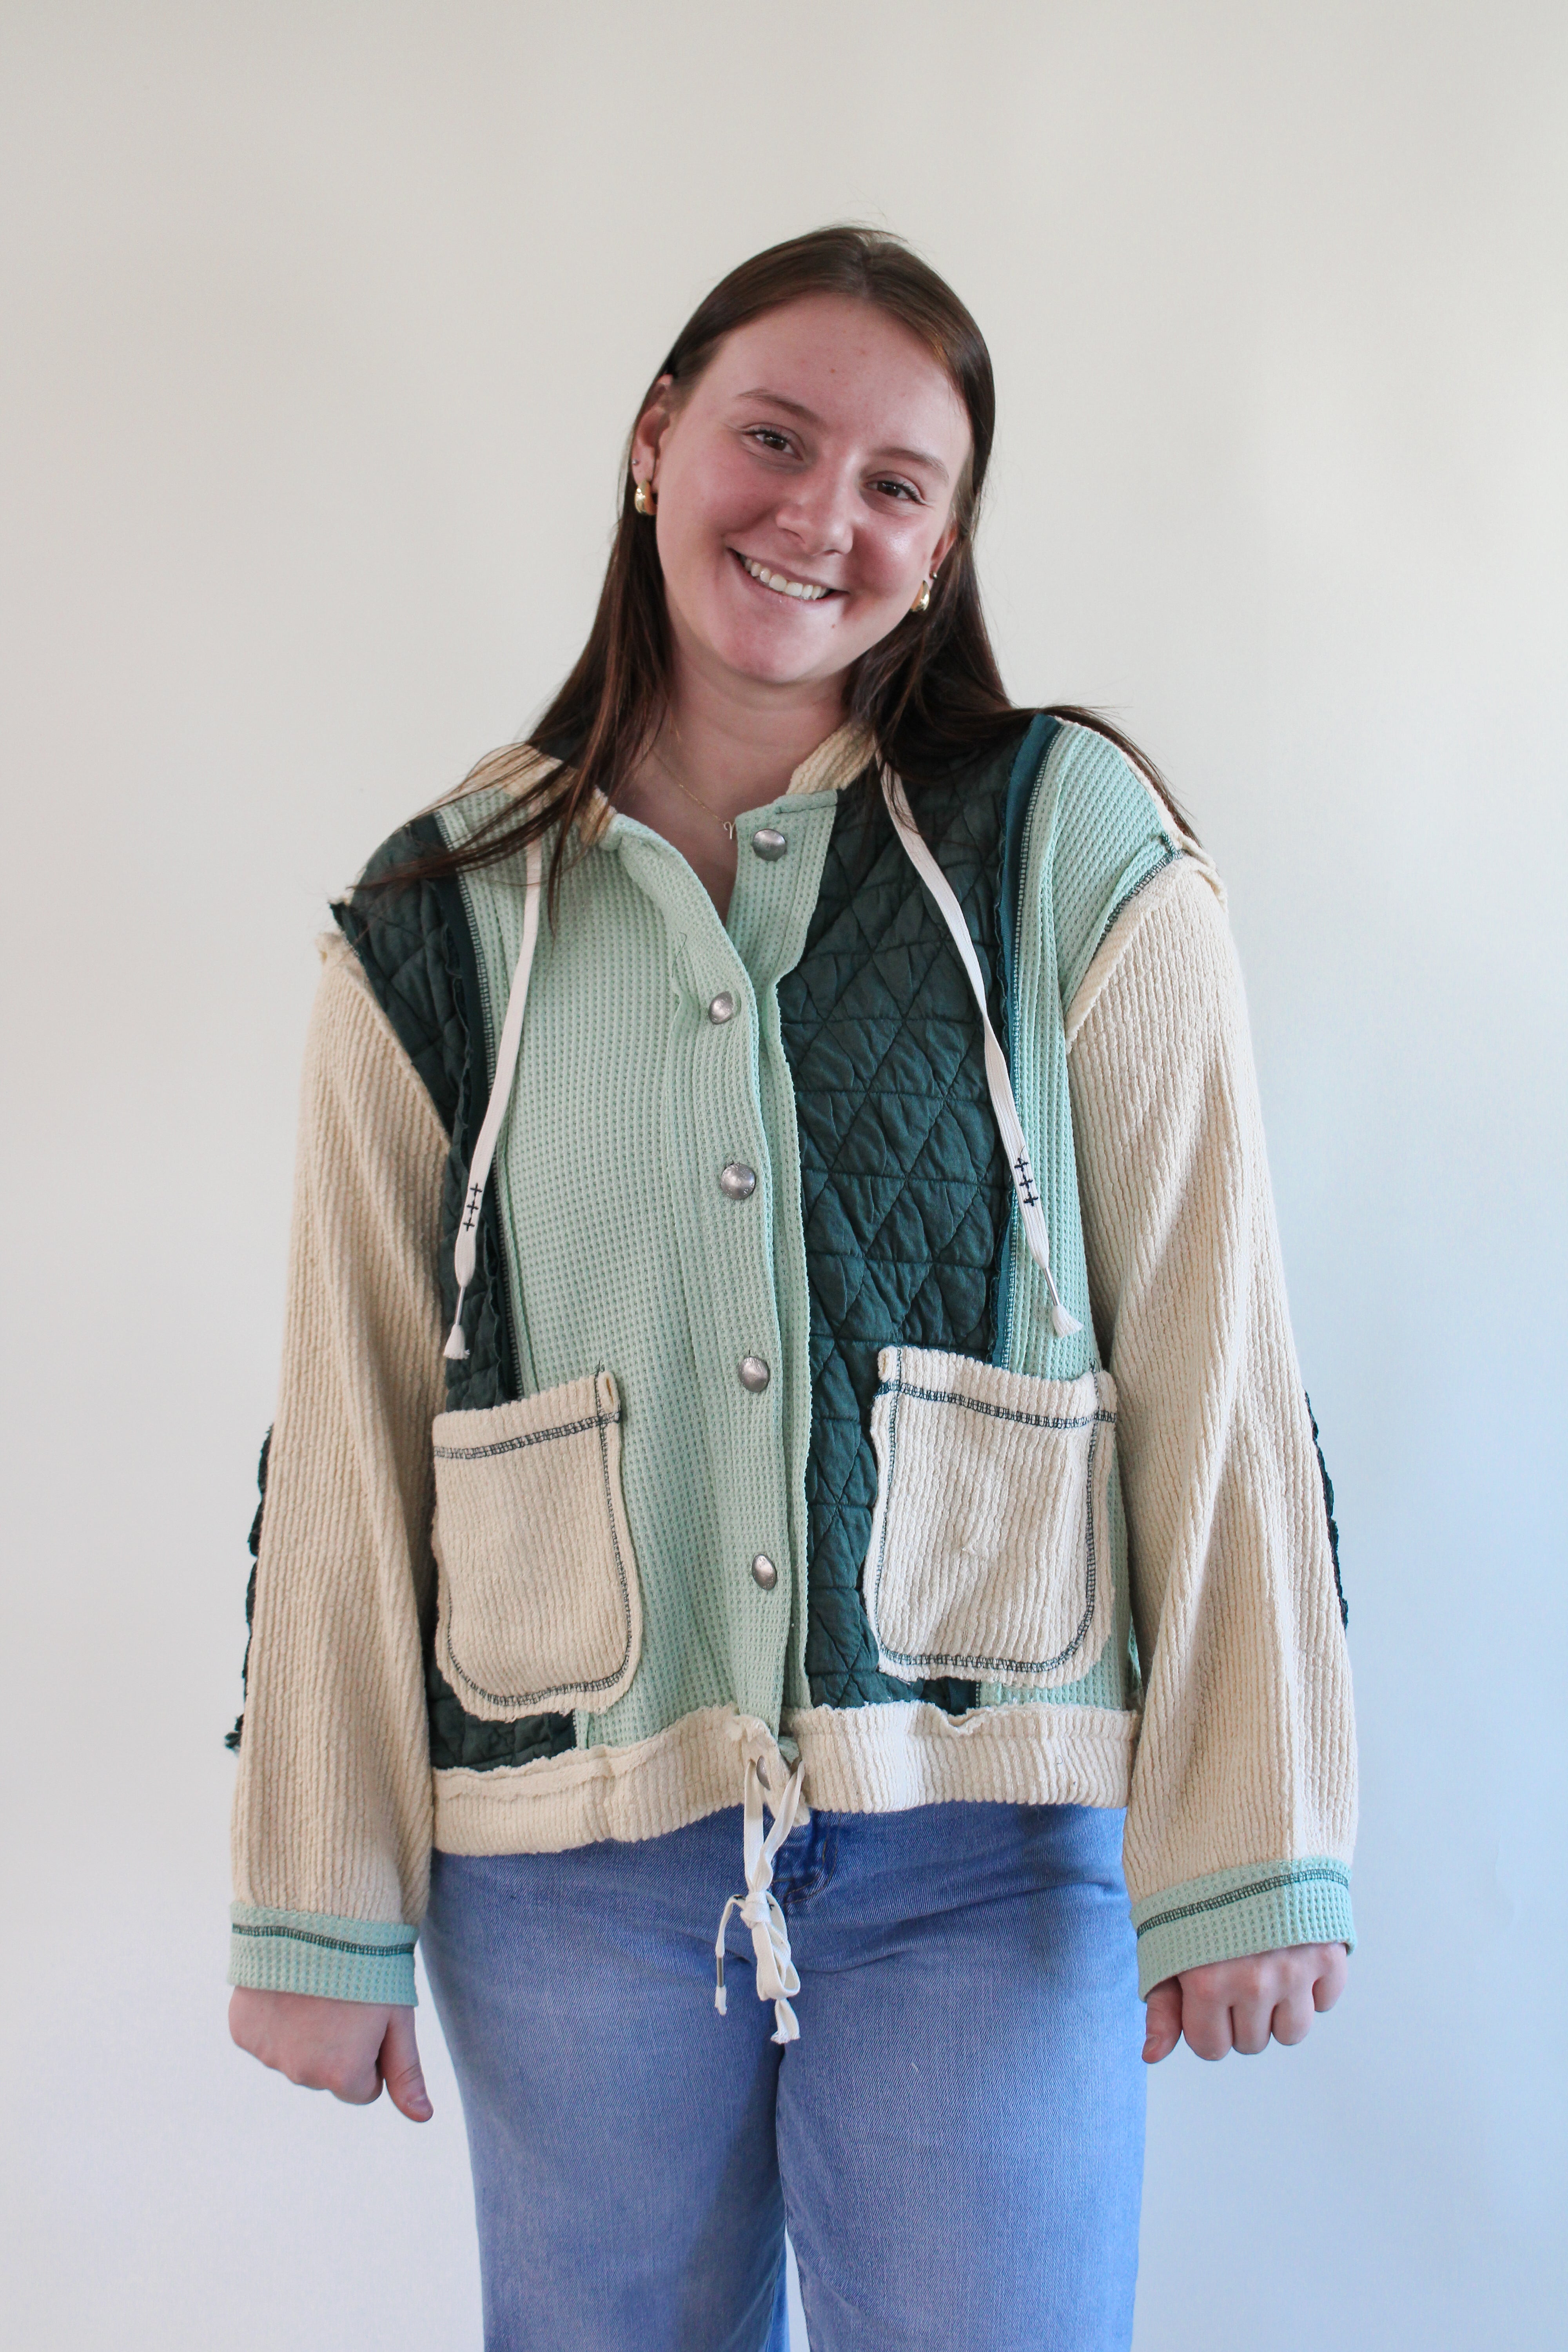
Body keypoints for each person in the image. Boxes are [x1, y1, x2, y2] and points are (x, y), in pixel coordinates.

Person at [226, 225, 1356, 2352]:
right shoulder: (438, 915)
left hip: (986, 1845)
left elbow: (1219, 1345)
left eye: (895, 482)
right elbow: (350, 1424)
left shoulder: (1064, 845)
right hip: (567, 1860)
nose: (821, 513)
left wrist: (1259, 1833)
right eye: (774, 437)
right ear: (656, 442)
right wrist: (318, 1899)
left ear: (942, 553)